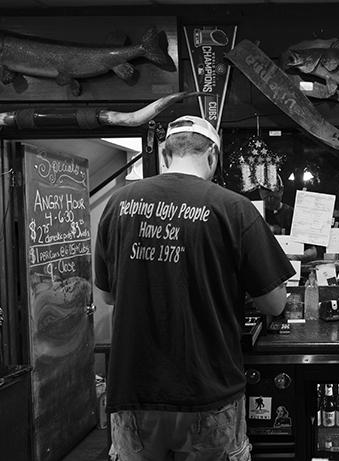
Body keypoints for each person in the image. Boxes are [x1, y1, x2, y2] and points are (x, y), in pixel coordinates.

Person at [94, 115, 295, 461]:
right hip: (209, 390)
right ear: (213, 156)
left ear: (166, 153)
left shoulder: (118, 204)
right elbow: (274, 304)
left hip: (134, 390)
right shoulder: (235, 208)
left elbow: (108, 296)